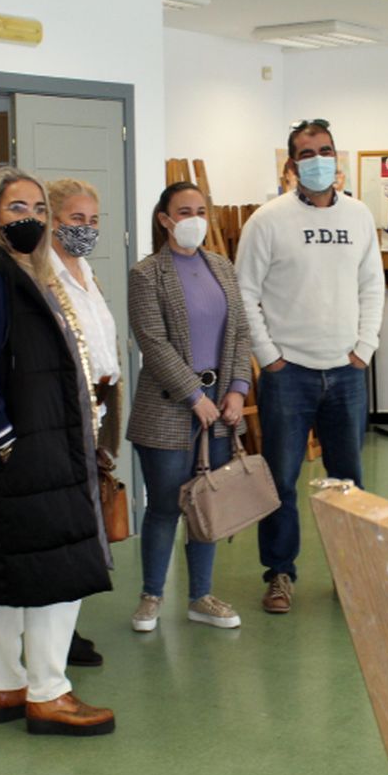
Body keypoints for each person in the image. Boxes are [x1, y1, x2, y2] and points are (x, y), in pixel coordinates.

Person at [0, 166, 115, 736]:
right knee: (56, 571)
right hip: (27, 452)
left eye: (38, 208)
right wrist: (9, 442)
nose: (30, 218)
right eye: (17, 208)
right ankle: (49, 694)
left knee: (6, 571)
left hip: (33, 447)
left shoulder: (20, 275)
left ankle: (7, 685)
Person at [236, 118, 382, 615]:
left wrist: (364, 347)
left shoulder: (358, 216)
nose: (318, 160)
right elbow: (244, 293)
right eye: (306, 153)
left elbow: (372, 286)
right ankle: (280, 573)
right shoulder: (268, 220)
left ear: (336, 157)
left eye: (325, 151)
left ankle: (350, 572)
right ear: (292, 164)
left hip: (346, 371)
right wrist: (269, 356)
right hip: (289, 375)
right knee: (280, 480)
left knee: (349, 482)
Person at [125, 182, 251, 631]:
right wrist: (194, 396)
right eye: (184, 211)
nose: (194, 219)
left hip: (221, 408)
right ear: (165, 219)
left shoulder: (222, 267)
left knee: (206, 504)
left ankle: (201, 596)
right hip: (168, 408)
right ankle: (151, 597)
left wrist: (237, 389)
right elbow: (153, 343)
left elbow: (240, 332)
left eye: (201, 210)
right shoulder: (146, 274)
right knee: (165, 506)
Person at [45, 177, 123, 668]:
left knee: (84, 529)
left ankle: (65, 628)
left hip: (97, 411)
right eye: (77, 219)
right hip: (64, 416)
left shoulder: (86, 272)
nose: (86, 229)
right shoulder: (44, 276)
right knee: (65, 528)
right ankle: (53, 636)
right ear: (52, 222)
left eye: (93, 220)